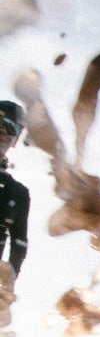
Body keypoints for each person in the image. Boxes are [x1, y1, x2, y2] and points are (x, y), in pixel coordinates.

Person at [0, 100, 29, 284]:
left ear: (16, 139)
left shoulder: (17, 193)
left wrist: (7, 285)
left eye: (12, 127)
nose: (3, 131)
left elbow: (19, 245)